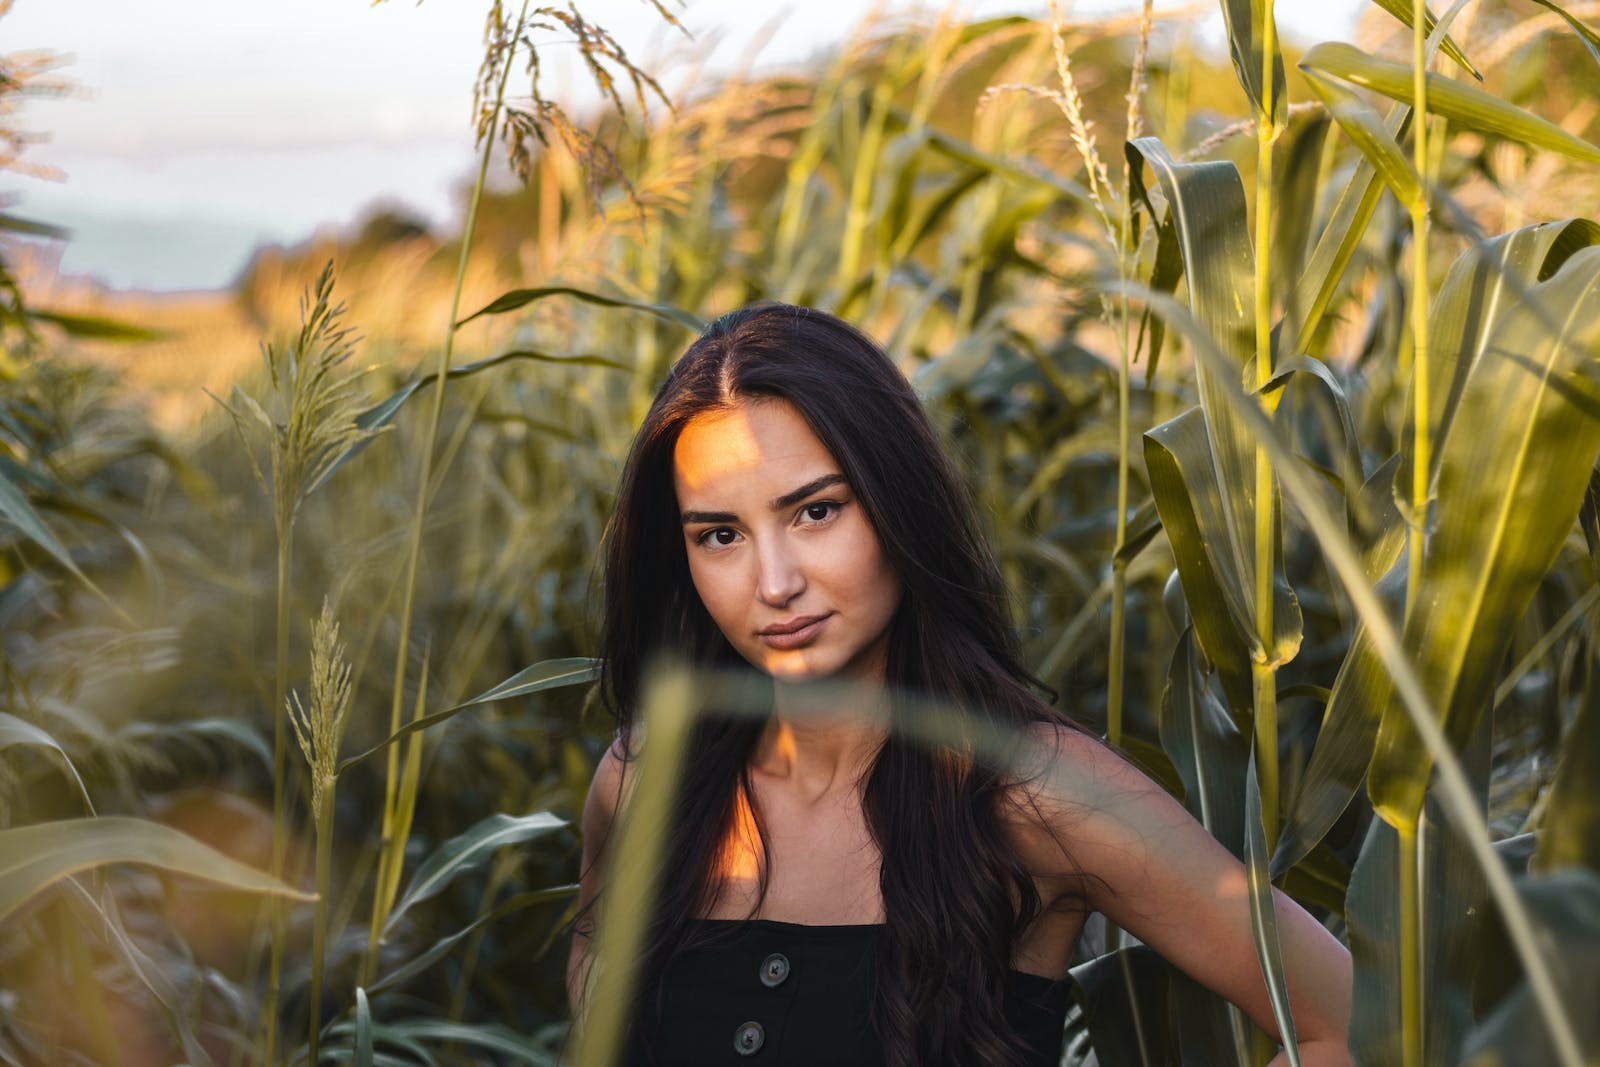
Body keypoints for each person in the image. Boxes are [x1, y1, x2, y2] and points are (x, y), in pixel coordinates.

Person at [567, 303, 1353, 1066]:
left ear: (897, 498)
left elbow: (1346, 1022)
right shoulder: (642, 783)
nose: (773, 582)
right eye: (721, 534)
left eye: (815, 512)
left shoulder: (1036, 794)